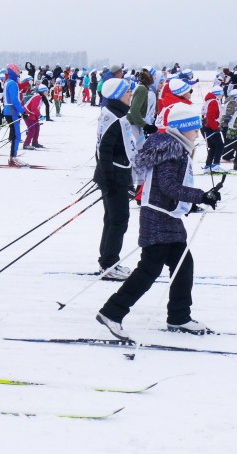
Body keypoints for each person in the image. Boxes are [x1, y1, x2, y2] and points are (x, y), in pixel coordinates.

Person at [97, 103, 222, 339]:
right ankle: (112, 312)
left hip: (166, 217)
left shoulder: (173, 146)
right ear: (183, 128)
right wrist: (201, 196)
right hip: (157, 217)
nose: (198, 134)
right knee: (148, 270)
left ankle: (179, 317)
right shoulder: (171, 150)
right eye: (195, 130)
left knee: (184, 264)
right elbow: (168, 187)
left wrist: (200, 198)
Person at [94, 78, 136, 280]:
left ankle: (107, 261)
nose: (131, 95)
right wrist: (110, 179)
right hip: (114, 176)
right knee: (118, 221)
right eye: (128, 92)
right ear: (118, 94)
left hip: (113, 175)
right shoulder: (115, 117)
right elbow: (105, 150)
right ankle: (110, 264)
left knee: (112, 219)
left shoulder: (112, 113)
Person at [2, 63, 28, 167]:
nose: (19, 73)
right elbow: (14, 100)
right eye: (17, 71)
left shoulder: (9, 81)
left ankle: (13, 157)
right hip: (12, 111)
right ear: (13, 71)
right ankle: (13, 158)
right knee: (16, 135)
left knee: (15, 135)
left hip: (9, 111)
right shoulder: (12, 83)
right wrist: (23, 111)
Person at [201, 86, 225, 172]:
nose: (222, 96)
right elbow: (210, 116)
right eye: (222, 94)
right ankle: (216, 165)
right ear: (219, 94)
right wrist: (215, 128)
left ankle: (208, 166)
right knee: (220, 145)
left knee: (212, 147)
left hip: (206, 127)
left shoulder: (209, 101)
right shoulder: (213, 102)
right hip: (210, 127)